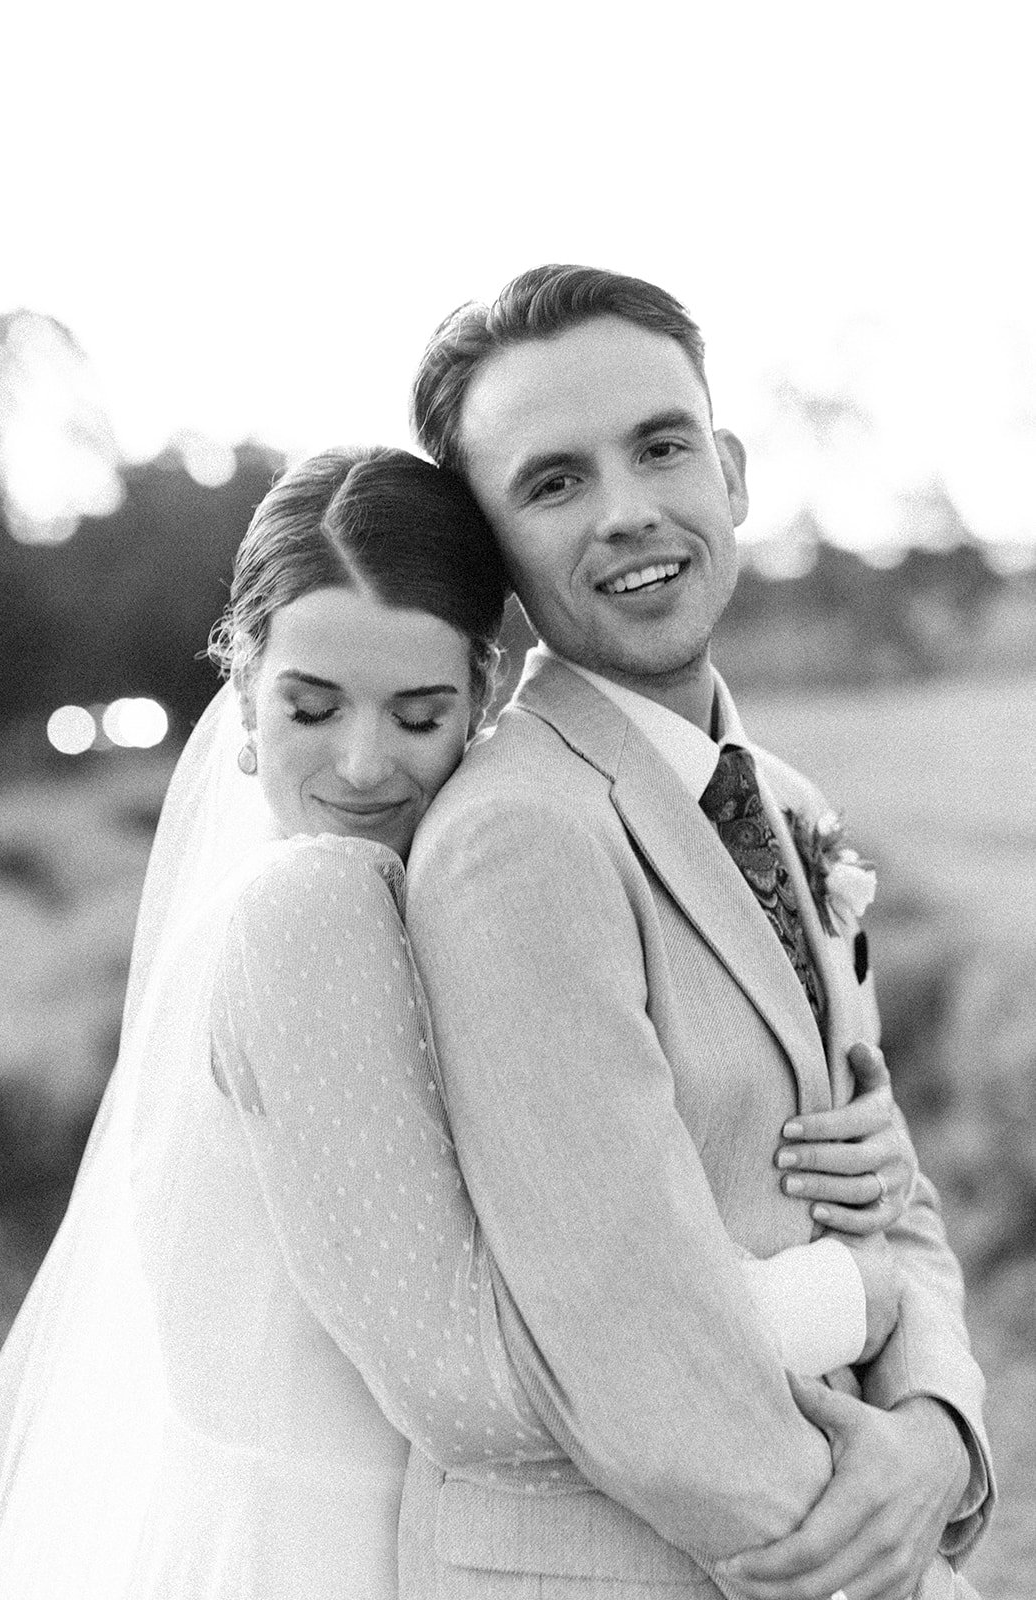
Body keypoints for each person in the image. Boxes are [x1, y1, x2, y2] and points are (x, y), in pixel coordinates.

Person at [0, 446, 923, 1598]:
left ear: (481, 700)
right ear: (243, 695)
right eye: (311, 707)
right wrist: (848, 1293)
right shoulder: (307, 910)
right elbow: (465, 1382)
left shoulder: (414, 907)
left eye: (416, 714)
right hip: (320, 1556)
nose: (364, 764)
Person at [403, 266, 994, 1600]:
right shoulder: (519, 836)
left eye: (658, 447)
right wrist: (876, 1558)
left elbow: (886, 1195)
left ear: (724, 471)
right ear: (491, 552)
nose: (627, 510)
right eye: (551, 483)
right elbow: (622, 1324)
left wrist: (934, 1437)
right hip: (641, 1565)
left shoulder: (783, 803)